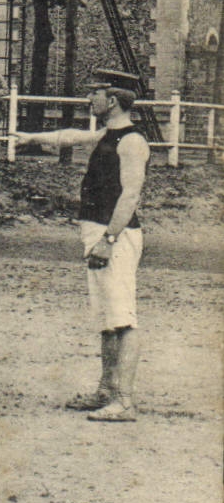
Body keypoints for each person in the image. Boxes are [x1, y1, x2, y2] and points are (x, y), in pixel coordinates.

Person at [12, 69, 151, 421]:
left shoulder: (133, 141)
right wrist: (29, 137)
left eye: (95, 94)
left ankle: (125, 401)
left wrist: (108, 239)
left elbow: (130, 195)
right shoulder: (109, 133)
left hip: (115, 237)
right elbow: (71, 136)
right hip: (97, 234)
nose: (90, 99)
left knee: (123, 318)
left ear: (113, 100)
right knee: (107, 318)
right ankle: (106, 391)